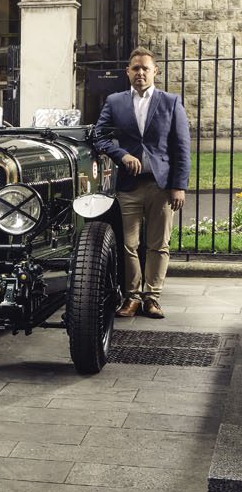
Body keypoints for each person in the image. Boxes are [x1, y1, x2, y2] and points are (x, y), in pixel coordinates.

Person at [94, 47, 190, 319]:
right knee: (129, 244)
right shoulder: (115, 101)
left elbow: (181, 147)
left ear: (155, 71)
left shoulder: (170, 102)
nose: (140, 73)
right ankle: (132, 297)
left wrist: (178, 185)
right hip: (129, 186)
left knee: (159, 244)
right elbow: (98, 136)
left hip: (161, 186)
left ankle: (152, 297)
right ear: (128, 72)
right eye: (135, 68)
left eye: (145, 68)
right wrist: (121, 154)